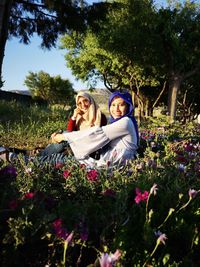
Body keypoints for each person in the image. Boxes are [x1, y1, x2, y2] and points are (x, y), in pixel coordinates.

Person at [0, 91, 139, 169]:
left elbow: (96, 134)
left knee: (57, 158)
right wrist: (73, 118)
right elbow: (74, 131)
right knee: (59, 149)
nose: (116, 109)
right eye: (113, 105)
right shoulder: (121, 122)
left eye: (121, 105)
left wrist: (65, 137)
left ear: (128, 106)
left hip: (101, 161)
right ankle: (29, 157)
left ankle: (17, 159)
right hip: (94, 153)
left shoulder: (123, 122)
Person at [39, 91, 107, 156]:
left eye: (85, 101)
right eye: (79, 103)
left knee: (65, 135)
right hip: (78, 143)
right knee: (64, 135)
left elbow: (98, 136)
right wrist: (74, 117)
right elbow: (70, 131)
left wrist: (64, 136)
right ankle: (43, 155)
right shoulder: (79, 116)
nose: (83, 105)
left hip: (91, 146)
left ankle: (41, 155)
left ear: (90, 101)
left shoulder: (100, 116)